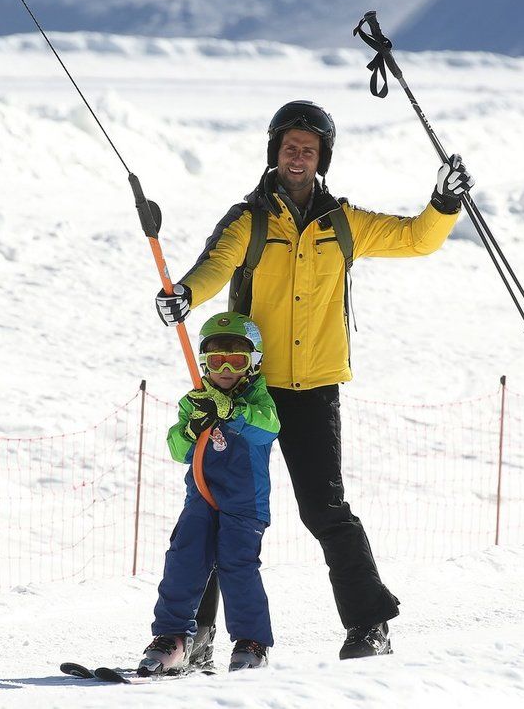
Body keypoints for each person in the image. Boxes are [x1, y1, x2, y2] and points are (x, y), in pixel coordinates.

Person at [154, 100, 474, 660]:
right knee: (218, 506)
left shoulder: (344, 224)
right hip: (246, 389)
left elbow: (417, 239)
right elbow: (215, 265)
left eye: (308, 149)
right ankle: (196, 635)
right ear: (274, 154)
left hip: (315, 390)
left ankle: (368, 625)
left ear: (321, 157)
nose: (298, 157)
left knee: (325, 510)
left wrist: (444, 202)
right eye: (288, 147)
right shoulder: (249, 219)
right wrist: (183, 293)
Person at [141, 311, 280, 676]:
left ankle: (252, 641)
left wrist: (232, 410)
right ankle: (173, 637)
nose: (226, 368)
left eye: (237, 360)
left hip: (244, 502)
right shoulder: (197, 400)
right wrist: (192, 427)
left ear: (253, 363)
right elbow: (177, 449)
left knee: (237, 564)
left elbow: (268, 428)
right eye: (216, 360)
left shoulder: (258, 399)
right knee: (184, 557)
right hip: (202, 497)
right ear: (203, 362)